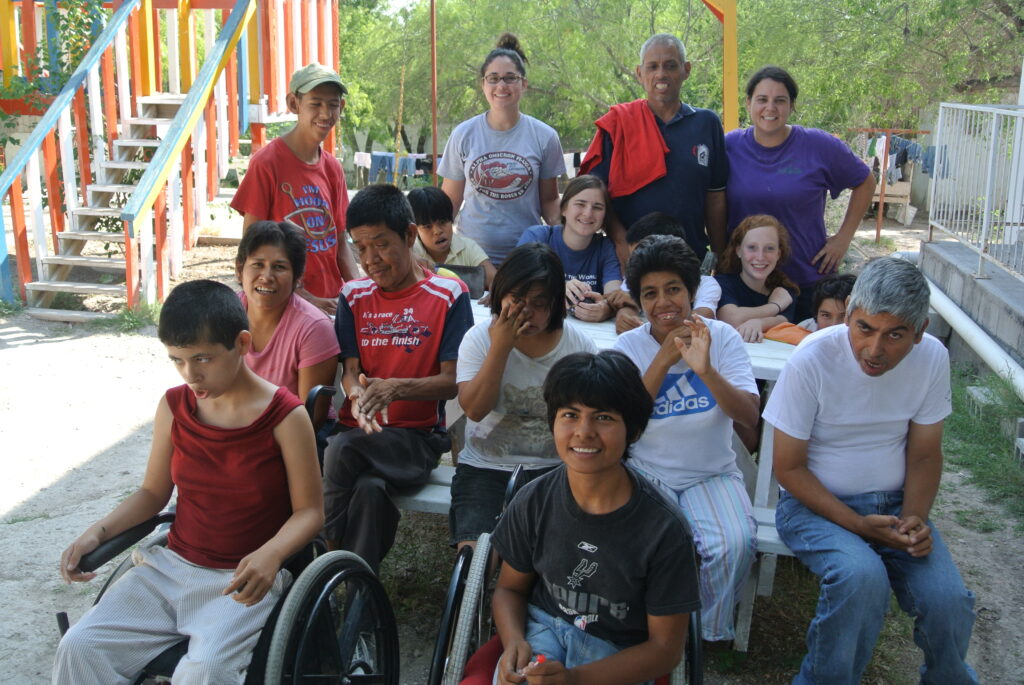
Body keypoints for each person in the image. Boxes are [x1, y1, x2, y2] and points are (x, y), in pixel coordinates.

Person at [53, 280, 324, 683]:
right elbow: (152, 493)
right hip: (172, 568)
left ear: (242, 343)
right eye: (177, 360)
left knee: (205, 672)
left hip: (241, 580)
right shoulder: (174, 406)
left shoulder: (285, 416)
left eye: (203, 358)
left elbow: (310, 512)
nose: (190, 374)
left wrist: (271, 554)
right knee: (79, 647)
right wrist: (99, 532)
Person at [763, 257, 977, 684]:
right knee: (861, 580)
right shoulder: (813, 359)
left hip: (896, 506)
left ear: (921, 330)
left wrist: (915, 517)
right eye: (864, 329)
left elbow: (924, 455)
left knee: (949, 600)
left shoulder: (932, 359)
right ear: (849, 318)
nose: (875, 350)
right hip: (815, 507)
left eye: (895, 335)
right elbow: (787, 467)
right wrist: (859, 524)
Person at [491, 350, 700, 683]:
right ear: (553, 422)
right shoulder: (534, 500)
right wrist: (515, 642)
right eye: (570, 414)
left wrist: (575, 680)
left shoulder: (664, 529)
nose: (584, 431)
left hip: (619, 652)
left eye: (603, 417)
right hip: (543, 630)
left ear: (632, 430)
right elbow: (509, 590)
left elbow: (665, 649)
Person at [612, 235, 759, 642]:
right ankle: (642, 630)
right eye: (651, 294)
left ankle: (703, 636)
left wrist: (707, 370)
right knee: (635, 547)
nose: (664, 303)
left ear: (692, 291)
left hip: (711, 473)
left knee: (735, 544)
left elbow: (749, 418)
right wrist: (663, 360)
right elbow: (625, 430)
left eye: (674, 289)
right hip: (646, 473)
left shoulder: (722, 338)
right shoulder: (627, 347)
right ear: (639, 301)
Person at [323, 184, 473, 573]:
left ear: (409, 236)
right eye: (359, 247)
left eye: (380, 244)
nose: (370, 259)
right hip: (361, 433)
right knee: (371, 492)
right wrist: (357, 397)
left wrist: (395, 388)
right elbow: (351, 373)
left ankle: (322, 561)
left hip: (414, 440)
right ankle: (355, 593)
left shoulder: (448, 293)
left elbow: (453, 381)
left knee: (340, 451)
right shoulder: (353, 296)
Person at [451, 243, 596, 552]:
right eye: (516, 299)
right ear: (500, 294)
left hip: (556, 468)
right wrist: (500, 347)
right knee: (476, 555)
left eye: (539, 302)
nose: (525, 311)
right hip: (484, 466)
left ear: (556, 304)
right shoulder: (478, 340)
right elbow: (475, 410)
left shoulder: (577, 346)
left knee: (552, 556)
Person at [725, 65, 874, 321]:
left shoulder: (818, 145)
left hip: (805, 279)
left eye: (780, 100)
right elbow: (710, 199)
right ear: (748, 102)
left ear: (792, 105)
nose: (770, 108)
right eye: (762, 99)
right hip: (745, 284)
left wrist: (843, 238)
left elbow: (865, 181)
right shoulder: (729, 147)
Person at [581, 33, 728, 264]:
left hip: (691, 258)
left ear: (686, 70)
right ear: (640, 73)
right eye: (652, 66)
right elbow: (596, 195)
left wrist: (721, 257)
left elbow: (715, 196)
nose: (661, 74)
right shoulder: (618, 124)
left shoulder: (706, 123)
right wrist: (621, 242)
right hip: (629, 259)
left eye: (670, 65)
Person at [231, 63, 358, 316]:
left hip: (330, 302)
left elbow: (340, 242)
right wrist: (302, 296)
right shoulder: (267, 163)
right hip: (283, 305)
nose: (325, 113)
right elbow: (251, 250)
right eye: (316, 103)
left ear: (341, 108)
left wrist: (358, 292)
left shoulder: (333, 168)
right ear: (293, 104)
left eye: (333, 105)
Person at [439, 33, 565, 265]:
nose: (501, 86)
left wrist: (573, 233)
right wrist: (427, 247)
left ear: (524, 84)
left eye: (510, 78)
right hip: (471, 257)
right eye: (493, 78)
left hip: (525, 257)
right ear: (483, 84)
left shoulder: (545, 137)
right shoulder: (463, 134)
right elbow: (450, 202)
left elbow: (549, 201)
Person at [235, 220, 339, 435]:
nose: (267, 277)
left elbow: (310, 417)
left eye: (280, 267)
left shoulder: (313, 328)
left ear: (297, 278)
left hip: (295, 434)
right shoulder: (224, 314)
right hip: (237, 425)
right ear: (239, 270)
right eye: (257, 264)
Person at [516, 175, 622, 322]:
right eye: (580, 204)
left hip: (591, 333)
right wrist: (557, 287)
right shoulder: (538, 236)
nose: (588, 213)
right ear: (564, 209)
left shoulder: (606, 247)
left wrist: (607, 308)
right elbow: (516, 280)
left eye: (597, 207)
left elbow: (614, 291)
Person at [610, 211, 722, 333]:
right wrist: (625, 316)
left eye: (674, 289)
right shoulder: (639, 276)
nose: (637, 263)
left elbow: (702, 318)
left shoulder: (706, 284)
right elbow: (626, 303)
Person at [715, 214, 800, 343]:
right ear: (738, 251)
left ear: (778, 254)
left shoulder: (785, 290)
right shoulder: (721, 283)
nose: (760, 257)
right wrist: (775, 306)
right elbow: (732, 319)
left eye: (769, 248)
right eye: (752, 248)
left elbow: (782, 321)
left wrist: (759, 323)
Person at [408, 185, 497, 292]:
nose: (437, 231)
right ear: (415, 230)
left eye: (442, 222)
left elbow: (495, 280)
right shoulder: (409, 253)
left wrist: (497, 291)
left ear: (451, 219)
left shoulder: (468, 248)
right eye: (428, 226)